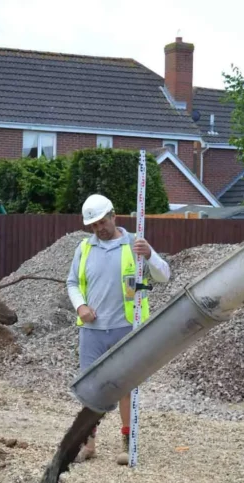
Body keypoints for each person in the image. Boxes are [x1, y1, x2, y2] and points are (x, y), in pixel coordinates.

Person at [66, 193, 171, 465]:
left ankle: (127, 443)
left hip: (126, 328)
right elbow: (72, 284)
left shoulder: (134, 244)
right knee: (91, 388)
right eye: (93, 225)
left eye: (102, 222)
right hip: (92, 331)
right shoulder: (84, 249)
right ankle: (88, 444)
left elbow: (164, 276)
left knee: (126, 387)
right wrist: (80, 307)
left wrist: (149, 255)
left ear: (114, 216)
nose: (99, 229)